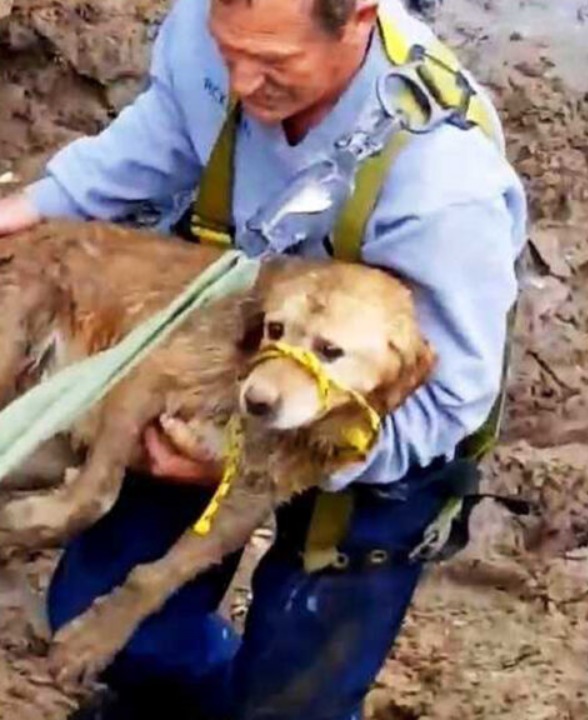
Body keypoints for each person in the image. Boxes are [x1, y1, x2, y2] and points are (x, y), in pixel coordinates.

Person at [0, 0, 526, 718]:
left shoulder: (443, 190)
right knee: (106, 627)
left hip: (384, 426)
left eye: (274, 64)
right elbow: (163, 134)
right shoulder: (210, 27)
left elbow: (449, 406)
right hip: (242, 341)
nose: (242, 84)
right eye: (229, 53)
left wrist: (250, 463)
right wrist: (32, 206)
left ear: (358, 18)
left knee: (291, 696)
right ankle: (191, 695)